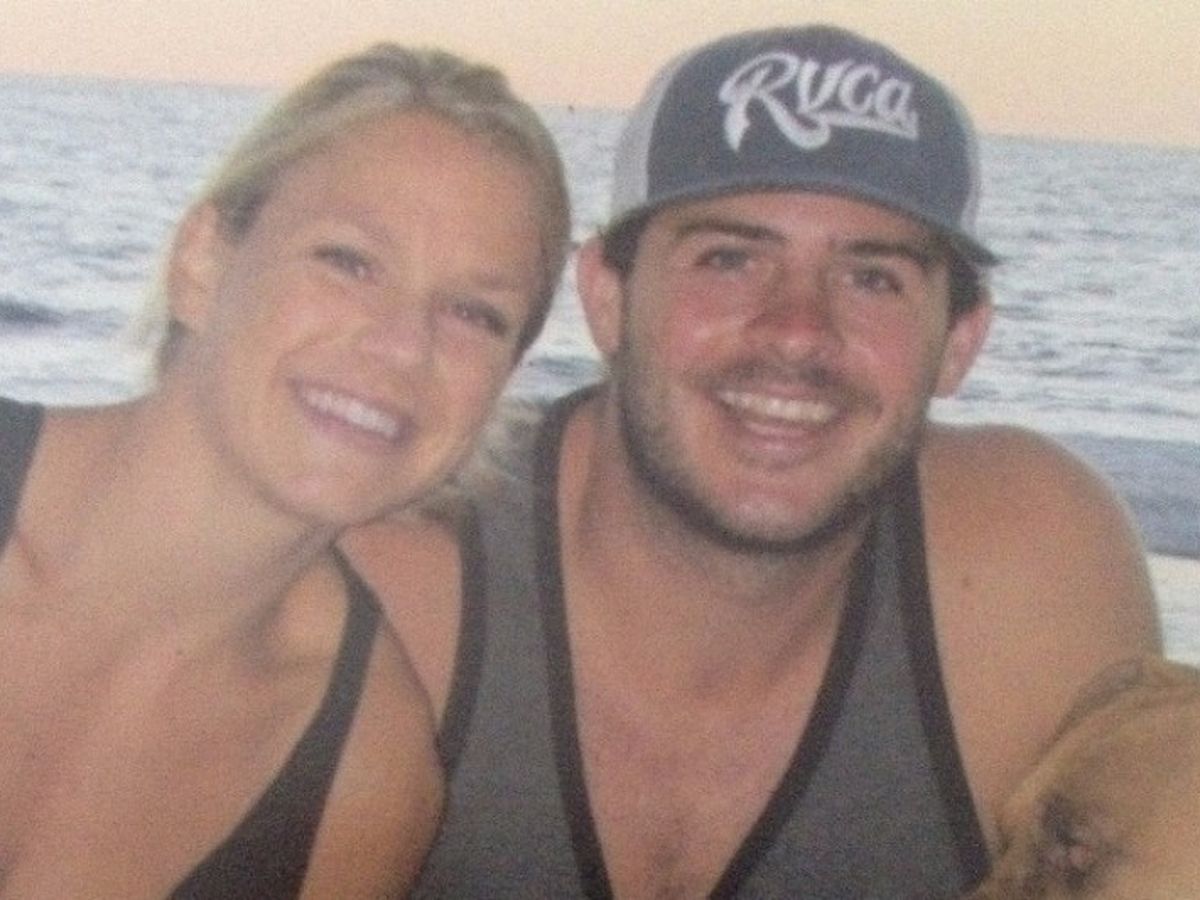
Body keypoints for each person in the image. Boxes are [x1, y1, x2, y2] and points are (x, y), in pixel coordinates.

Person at [347, 24, 1160, 898]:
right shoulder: (404, 563)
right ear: (607, 297)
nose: (798, 332)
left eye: (873, 278)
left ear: (960, 342)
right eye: (730, 259)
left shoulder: (1030, 575)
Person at [0, 43, 569, 899]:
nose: (403, 345)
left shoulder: (365, 781)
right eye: (349, 261)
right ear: (202, 262)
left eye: (474, 314)